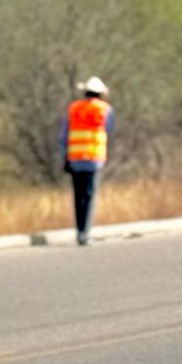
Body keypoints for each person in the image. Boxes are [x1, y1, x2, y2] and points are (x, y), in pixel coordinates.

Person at [61, 77, 113, 247]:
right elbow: (109, 130)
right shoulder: (104, 109)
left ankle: (79, 230)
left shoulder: (73, 109)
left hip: (75, 158)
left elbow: (63, 135)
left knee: (78, 197)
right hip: (93, 158)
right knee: (89, 197)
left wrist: (65, 156)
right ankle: (85, 233)